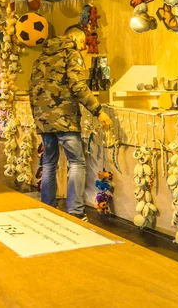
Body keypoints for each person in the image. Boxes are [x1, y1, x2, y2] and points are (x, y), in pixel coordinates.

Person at [29, 25, 113, 221]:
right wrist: (98, 111)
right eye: (83, 42)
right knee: (76, 162)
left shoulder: (41, 57)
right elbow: (78, 85)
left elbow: (32, 89)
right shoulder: (71, 54)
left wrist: (38, 118)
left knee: (49, 163)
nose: (84, 47)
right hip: (65, 118)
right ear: (76, 39)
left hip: (44, 120)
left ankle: (47, 207)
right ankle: (75, 211)